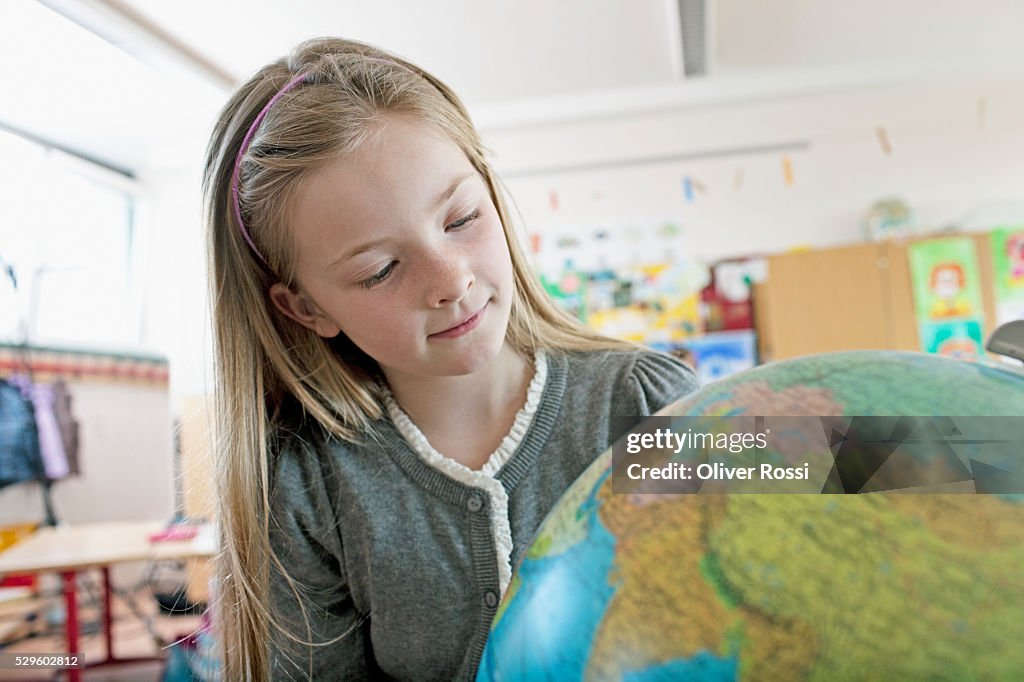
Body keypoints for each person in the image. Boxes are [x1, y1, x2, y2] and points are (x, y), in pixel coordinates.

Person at [203, 37, 699, 681]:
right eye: (380, 270)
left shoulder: (639, 407)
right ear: (305, 309)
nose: (451, 279)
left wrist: (827, 442)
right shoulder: (311, 485)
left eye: (462, 217)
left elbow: (857, 460)